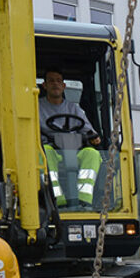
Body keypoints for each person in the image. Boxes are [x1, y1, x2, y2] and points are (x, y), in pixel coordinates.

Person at [38, 68, 102, 208]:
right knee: (45, 152)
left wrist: (94, 137)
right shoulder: (37, 107)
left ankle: (84, 199)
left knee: (92, 154)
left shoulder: (74, 108)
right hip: (52, 150)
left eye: (59, 81)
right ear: (45, 85)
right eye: (51, 81)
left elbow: (89, 130)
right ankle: (56, 197)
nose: (55, 84)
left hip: (73, 150)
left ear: (64, 86)